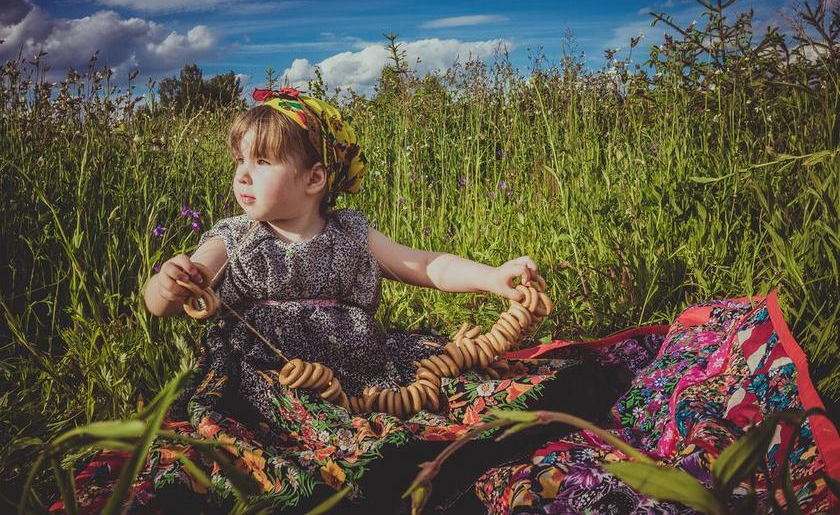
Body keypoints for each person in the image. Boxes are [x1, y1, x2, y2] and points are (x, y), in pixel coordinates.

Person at [93, 87, 624, 514]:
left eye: (261, 161)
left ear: (315, 178)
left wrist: (492, 277)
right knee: (287, 455)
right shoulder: (232, 239)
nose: (241, 175)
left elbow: (426, 266)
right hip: (269, 377)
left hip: (367, 368)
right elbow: (164, 300)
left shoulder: (351, 232)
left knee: (482, 402)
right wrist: (170, 283)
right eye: (239, 160)